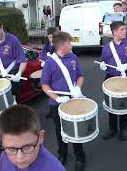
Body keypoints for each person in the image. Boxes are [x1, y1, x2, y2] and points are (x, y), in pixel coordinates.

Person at [40, 31, 86, 171]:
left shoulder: (73, 57)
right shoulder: (50, 63)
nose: (71, 44)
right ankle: (63, 153)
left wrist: (78, 88)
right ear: (61, 45)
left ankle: (80, 157)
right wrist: (57, 98)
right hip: (57, 105)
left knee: (76, 130)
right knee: (60, 130)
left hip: (73, 101)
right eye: (69, 43)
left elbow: (80, 76)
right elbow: (45, 85)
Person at [100, 21, 127, 141]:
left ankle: (123, 128)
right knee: (111, 104)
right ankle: (112, 128)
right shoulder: (107, 47)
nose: (125, 31)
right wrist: (102, 65)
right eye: (122, 29)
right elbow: (104, 61)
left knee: (123, 105)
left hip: (125, 79)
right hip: (110, 79)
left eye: (124, 29)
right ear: (114, 32)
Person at [0, 104, 65, 171]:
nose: (20, 157)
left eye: (27, 147)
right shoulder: (5, 154)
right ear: (2, 142)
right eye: (12, 149)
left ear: (41, 137)